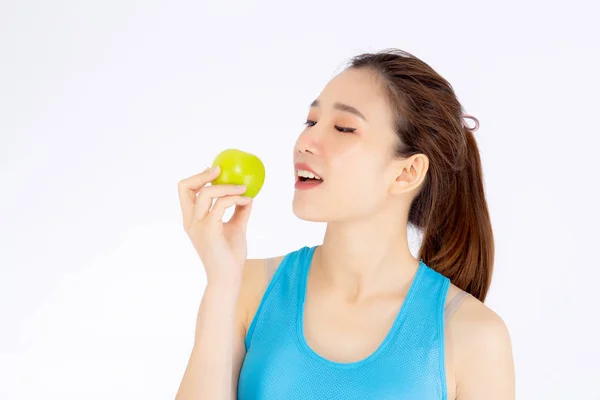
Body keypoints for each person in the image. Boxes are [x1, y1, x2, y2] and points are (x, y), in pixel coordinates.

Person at [175, 49, 515, 400]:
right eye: (310, 122)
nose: (304, 142)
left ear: (407, 172)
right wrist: (221, 280)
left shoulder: (474, 337)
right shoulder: (245, 290)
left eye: (344, 128)